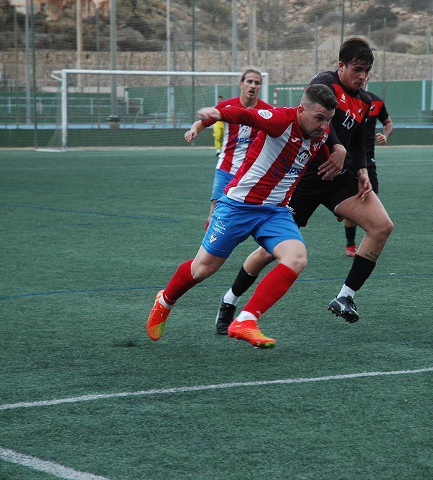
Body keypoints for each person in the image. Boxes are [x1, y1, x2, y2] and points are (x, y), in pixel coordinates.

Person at [214, 37, 394, 334]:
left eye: (368, 71)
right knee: (268, 252)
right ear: (341, 66)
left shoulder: (364, 100)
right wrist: (337, 147)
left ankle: (345, 297)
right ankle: (229, 300)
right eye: (358, 69)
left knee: (382, 226)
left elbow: (361, 140)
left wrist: (361, 169)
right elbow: (323, 124)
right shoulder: (325, 83)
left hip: (340, 178)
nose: (362, 76)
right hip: (304, 178)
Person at [146, 85, 344, 349]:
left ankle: (246, 320)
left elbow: (319, 154)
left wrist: (337, 160)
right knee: (202, 269)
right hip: (238, 207)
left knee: (296, 257)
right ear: (301, 111)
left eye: (328, 120)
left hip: (275, 212)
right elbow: (248, 116)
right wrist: (217, 113)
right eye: (319, 118)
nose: (323, 126)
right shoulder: (281, 120)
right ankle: (165, 300)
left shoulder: (322, 133)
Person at [184, 70, 273, 229]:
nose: (252, 86)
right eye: (249, 82)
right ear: (241, 84)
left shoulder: (266, 110)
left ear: (260, 87)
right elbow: (202, 122)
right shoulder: (227, 106)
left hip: (252, 169)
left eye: (257, 83)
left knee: (254, 211)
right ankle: (204, 254)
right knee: (216, 207)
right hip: (227, 165)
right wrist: (193, 130)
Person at [344, 82, 393, 257]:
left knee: (371, 203)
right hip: (347, 158)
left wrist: (385, 135)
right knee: (351, 205)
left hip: (368, 160)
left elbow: (388, 123)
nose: (361, 77)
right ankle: (350, 244)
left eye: (365, 73)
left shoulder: (376, 102)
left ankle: (367, 246)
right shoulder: (344, 100)